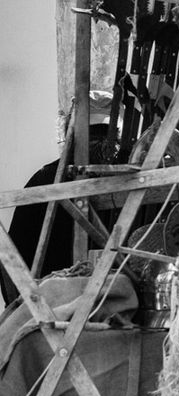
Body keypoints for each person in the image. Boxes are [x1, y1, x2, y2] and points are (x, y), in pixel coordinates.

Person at [1, 91, 119, 305]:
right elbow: (15, 261)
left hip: (109, 301)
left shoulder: (127, 180)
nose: (98, 142)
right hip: (53, 304)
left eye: (103, 134)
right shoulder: (45, 180)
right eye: (93, 135)